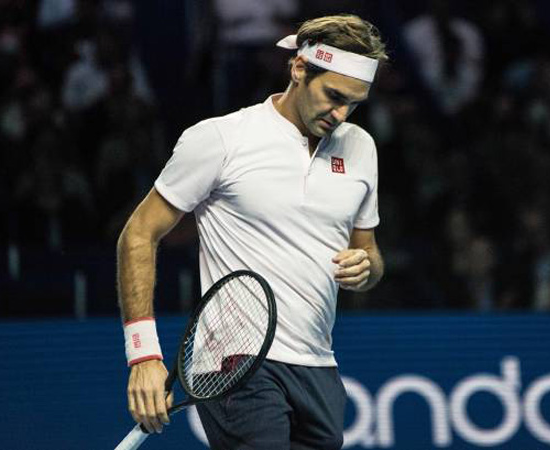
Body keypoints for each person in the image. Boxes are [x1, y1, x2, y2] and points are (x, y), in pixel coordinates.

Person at [116, 14, 387, 449]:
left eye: (353, 104)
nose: (341, 114)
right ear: (299, 68)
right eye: (334, 96)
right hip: (236, 363)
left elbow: (369, 255)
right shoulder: (222, 139)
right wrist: (144, 354)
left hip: (317, 364)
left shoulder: (360, 147)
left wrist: (366, 267)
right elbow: (139, 233)